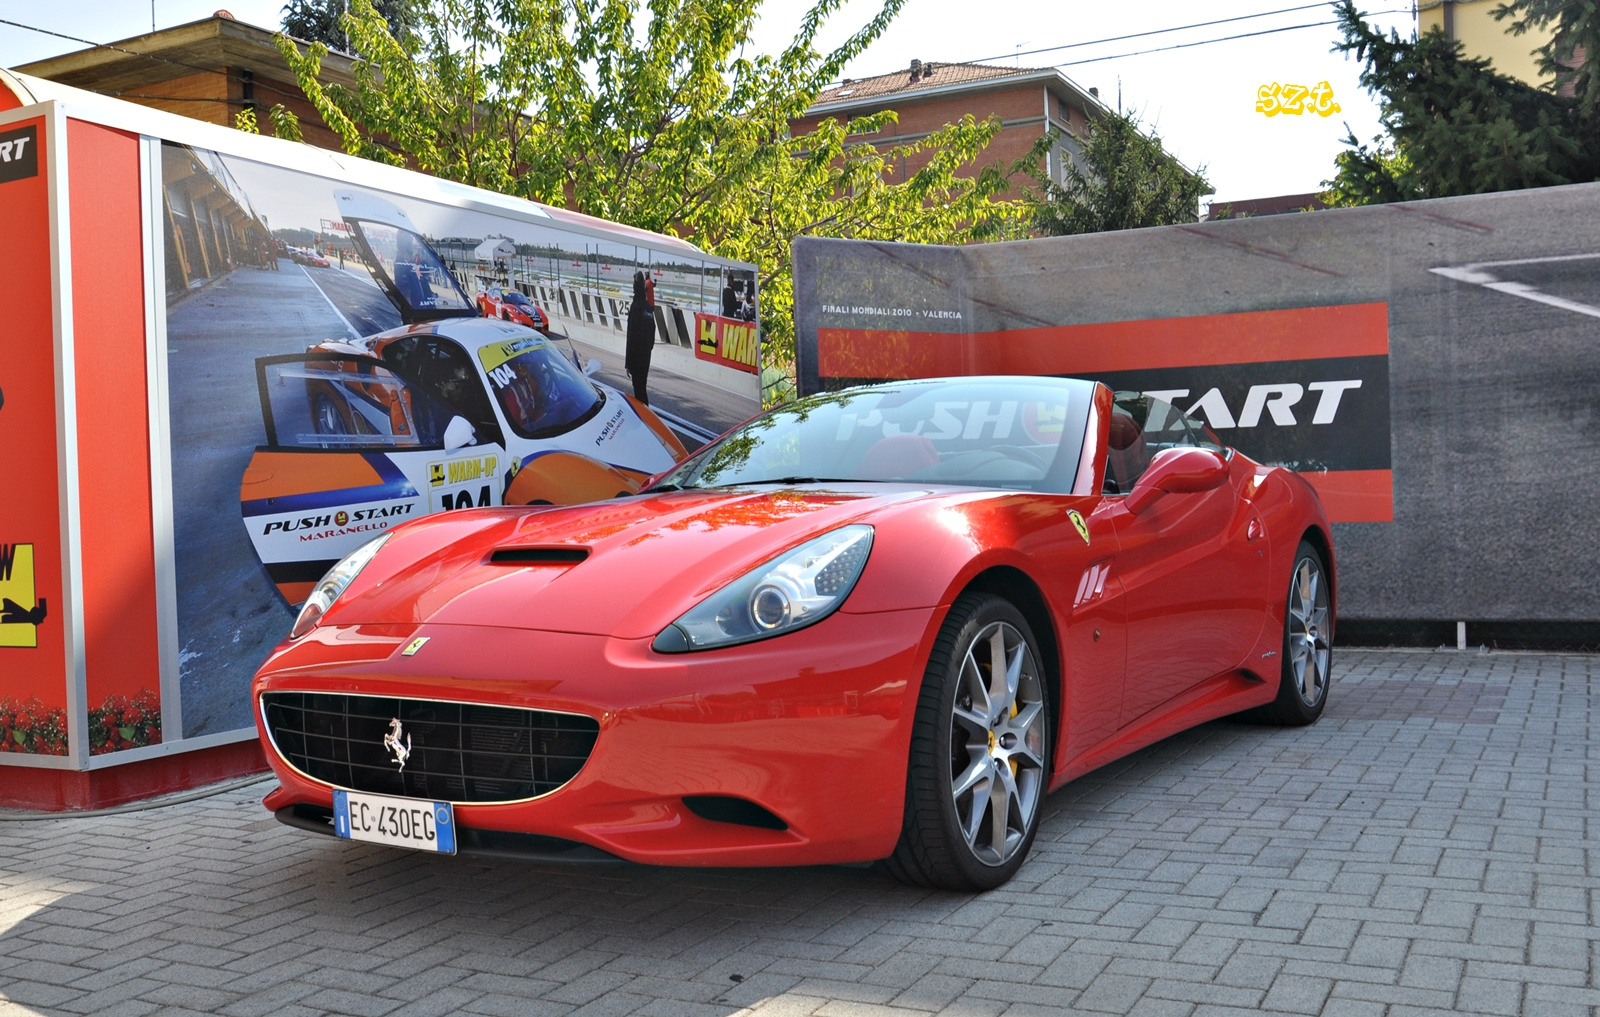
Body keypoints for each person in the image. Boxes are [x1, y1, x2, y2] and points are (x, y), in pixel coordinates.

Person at [625, 270, 655, 404]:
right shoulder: (647, 307)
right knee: (643, 387)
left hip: (636, 358)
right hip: (645, 356)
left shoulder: (635, 306)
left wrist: (628, 363)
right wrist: (648, 349)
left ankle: (644, 418)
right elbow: (652, 331)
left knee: (639, 390)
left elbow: (631, 336)